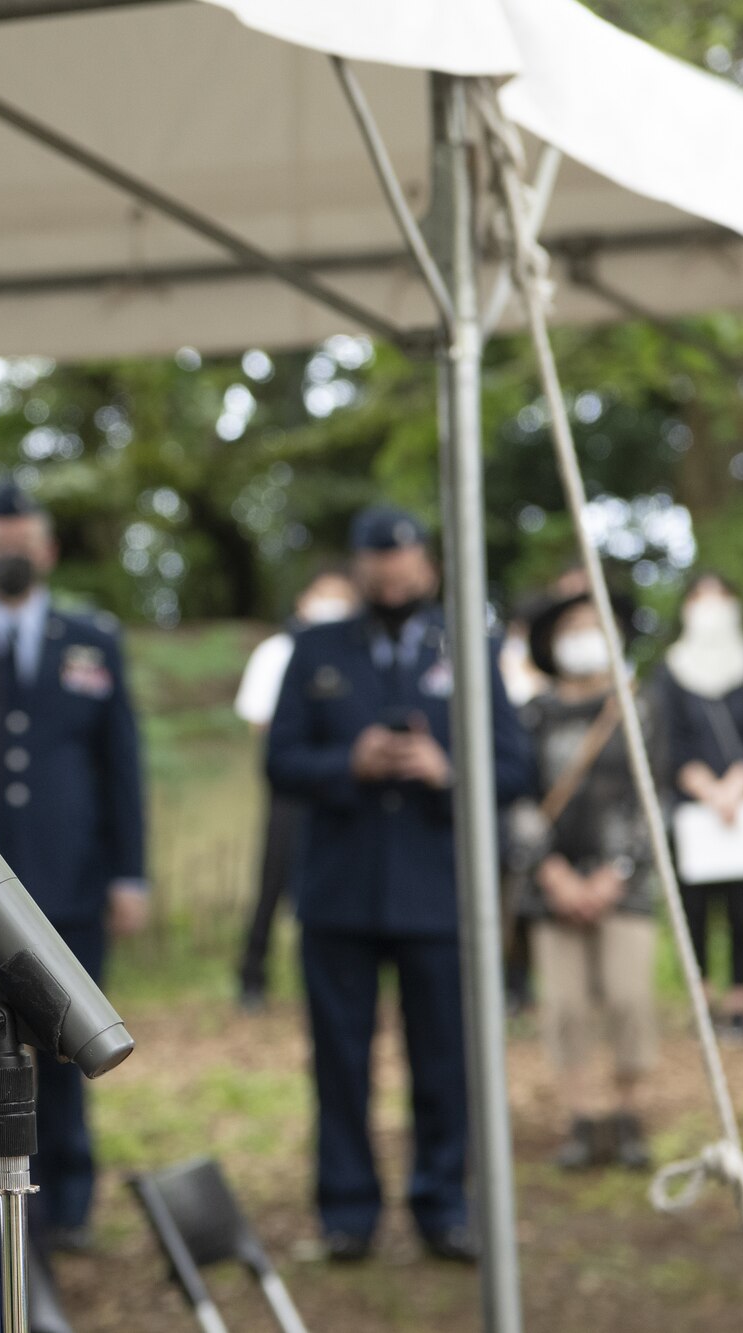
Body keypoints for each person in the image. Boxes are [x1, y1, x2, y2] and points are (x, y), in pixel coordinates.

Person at [267, 504, 532, 1264]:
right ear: (359, 566)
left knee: (444, 1060)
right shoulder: (315, 647)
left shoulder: (471, 647)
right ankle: (347, 1211)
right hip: (339, 894)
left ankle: (443, 1203)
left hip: (436, 895)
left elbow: (516, 767)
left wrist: (447, 772)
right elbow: (280, 760)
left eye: (406, 560)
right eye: (377, 560)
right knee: (340, 1061)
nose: (392, 573)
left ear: (430, 568)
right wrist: (348, 762)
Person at [0, 478, 147, 1252]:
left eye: (24, 539)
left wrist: (129, 873)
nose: (11, 552)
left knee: (69, 1045)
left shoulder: (91, 639)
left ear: (49, 550)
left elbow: (120, 766)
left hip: (70, 882)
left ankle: (66, 1204)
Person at [519, 591, 659, 1170]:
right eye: (571, 627)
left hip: (622, 887)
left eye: (592, 625)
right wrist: (549, 872)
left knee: (629, 999)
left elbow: (652, 799)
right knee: (563, 1007)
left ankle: (628, 1117)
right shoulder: (532, 717)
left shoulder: (637, 711)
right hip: (551, 886)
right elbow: (517, 799)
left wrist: (616, 874)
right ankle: (579, 1118)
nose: (583, 636)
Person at [656, 571, 743, 1042]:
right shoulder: (671, 671)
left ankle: (740, 1002)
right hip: (692, 810)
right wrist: (706, 789)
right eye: (701, 598)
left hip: (741, 808)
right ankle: (703, 999)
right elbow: (665, 742)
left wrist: (737, 783)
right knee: (692, 910)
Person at [233, 565, 358, 1011]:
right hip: (292, 787)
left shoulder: (357, 654)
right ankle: (252, 975)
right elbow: (260, 721)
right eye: (323, 594)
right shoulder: (277, 651)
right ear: (302, 601)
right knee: (273, 879)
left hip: (345, 786)